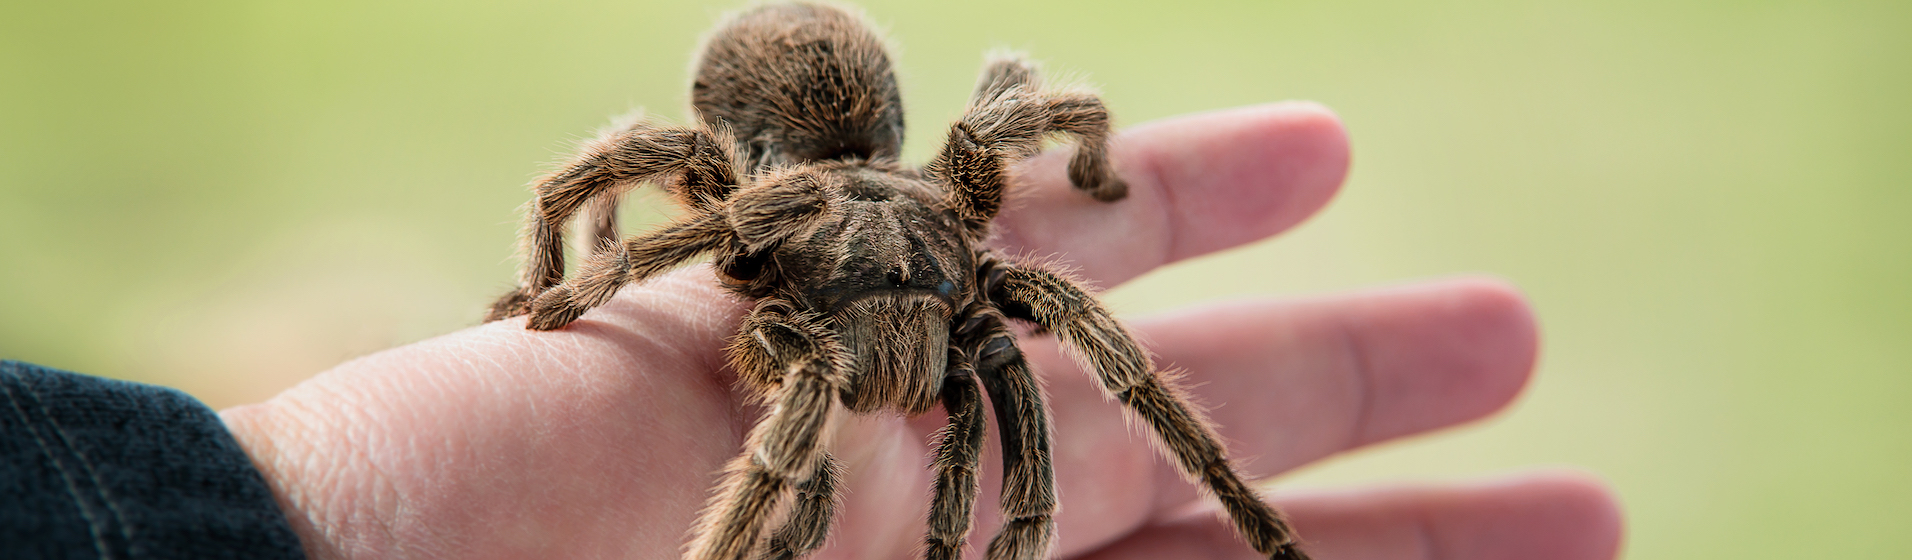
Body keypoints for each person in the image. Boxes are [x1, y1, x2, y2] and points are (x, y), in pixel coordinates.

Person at [5, 102, 1619, 559]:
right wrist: (561, 288)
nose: (941, 379)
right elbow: (614, 176)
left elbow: (1030, 110)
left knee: (1052, 378)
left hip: (903, 238)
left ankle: (1259, 524)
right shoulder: (743, 218)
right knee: (817, 423)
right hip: (808, 214)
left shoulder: (981, 262)